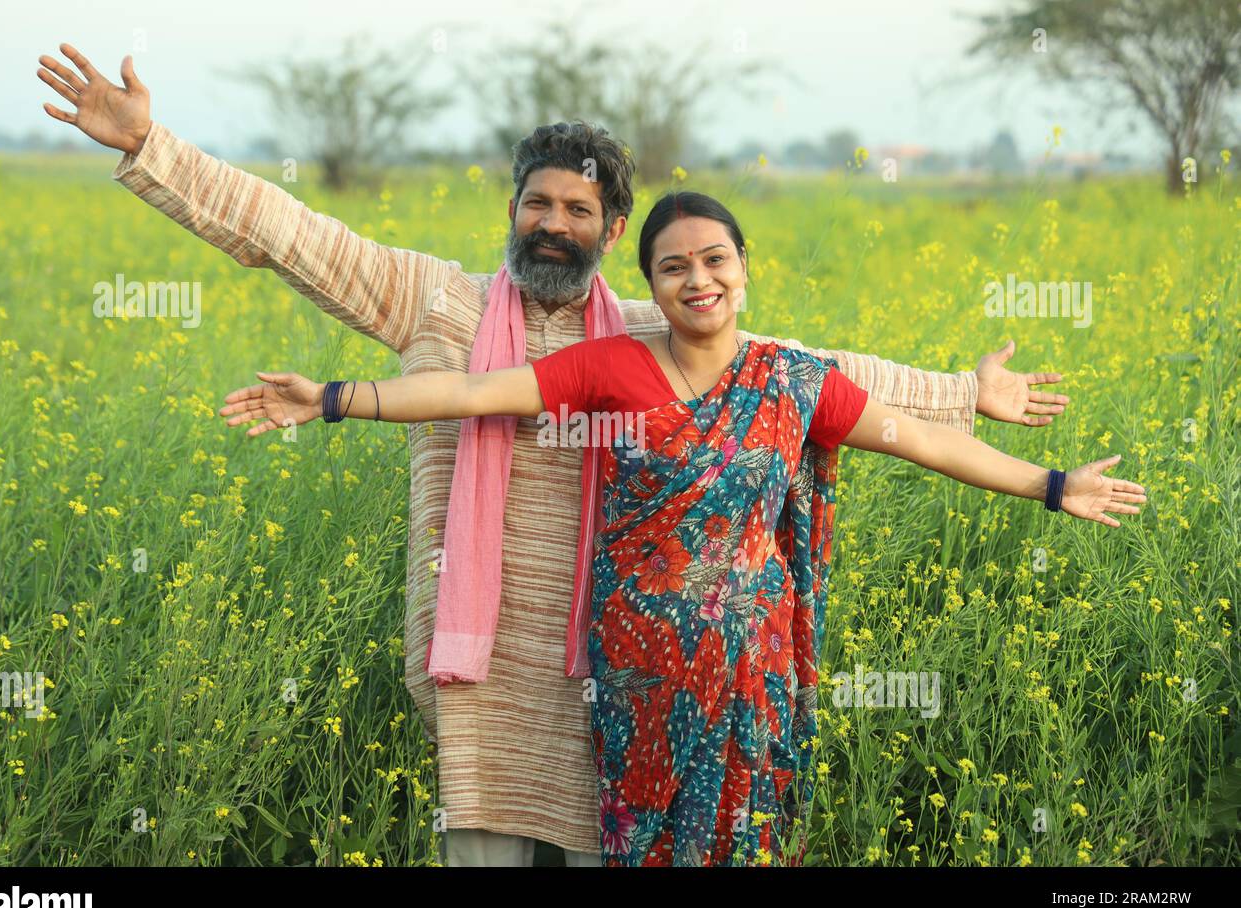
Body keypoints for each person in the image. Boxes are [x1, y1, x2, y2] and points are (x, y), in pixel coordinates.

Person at [39, 43, 1075, 866]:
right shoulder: (437, 302)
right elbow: (293, 236)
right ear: (511, 211)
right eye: (537, 202)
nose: (552, 222)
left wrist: (963, 393)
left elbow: (805, 372)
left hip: (613, 670)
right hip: (479, 668)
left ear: (611, 228)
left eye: (577, 209)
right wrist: (152, 149)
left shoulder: (640, 332)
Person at [217, 190, 1146, 866]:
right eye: (674, 266)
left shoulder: (794, 379)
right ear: (649, 284)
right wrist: (333, 397)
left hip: (751, 666)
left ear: (742, 272)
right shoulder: (609, 366)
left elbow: (923, 443)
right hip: (639, 670)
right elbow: (470, 393)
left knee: (742, 845)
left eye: (714, 261)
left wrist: (1051, 484)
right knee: (645, 842)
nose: (697, 279)